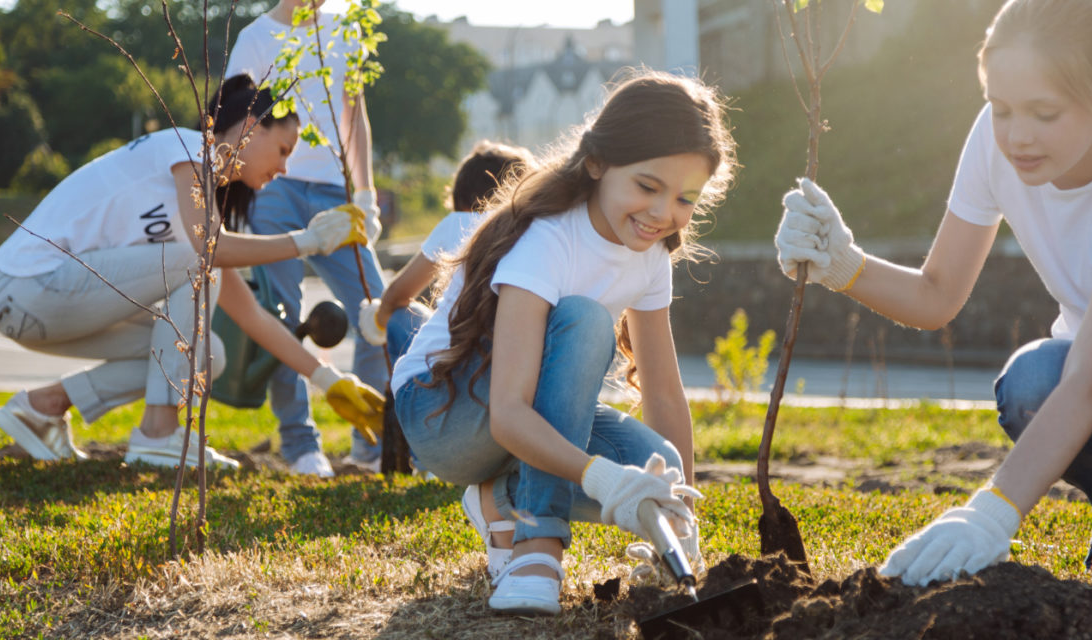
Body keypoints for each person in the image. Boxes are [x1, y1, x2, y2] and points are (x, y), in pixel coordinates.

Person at [775, 0, 1092, 586]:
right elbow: (937, 295)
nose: (1017, 136)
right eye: (1001, 109)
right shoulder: (996, 144)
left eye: (1044, 113)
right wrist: (842, 264)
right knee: (1029, 384)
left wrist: (992, 510)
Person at [391, 71, 736, 615]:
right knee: (584, 319)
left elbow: (665, 397)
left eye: (685, 198)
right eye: (647, 187)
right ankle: (536, 547)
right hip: (443, 412)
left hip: (517, 410)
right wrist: (601, 478)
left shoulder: (650, 255)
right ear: (597, 163)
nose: (663, 213)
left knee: (657, 463)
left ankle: (498, 497)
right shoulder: (547, 238)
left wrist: (679, 517)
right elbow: (508, 413)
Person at [0, 74, 383, 470]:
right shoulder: (188, 148)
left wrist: (330, 380)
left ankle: (42, 407)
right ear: (249, 127)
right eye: (283, 149)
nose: (283, 168)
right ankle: (158, 435)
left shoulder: (196, 209)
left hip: (46, 304)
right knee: (200, 260)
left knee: (207, 352)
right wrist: (309, 241)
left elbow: (253, 317)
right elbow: (209, 252)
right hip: (23, 286)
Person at [225, 0, 386, 477]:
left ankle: (370, 446)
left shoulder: (345, 31)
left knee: (377, 310)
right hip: (274, 188)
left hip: (336, 188)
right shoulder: (255, 39)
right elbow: (237, 120)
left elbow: (355, 117)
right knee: (285, 316)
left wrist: (366, 195)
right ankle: (300, 446)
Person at [354, 140, 533, 472]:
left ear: (462, 198)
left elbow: (398, 294)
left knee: (400, 317)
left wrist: (377, 319)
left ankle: (418, 451)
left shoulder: (460, 224)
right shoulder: (532, 231)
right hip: (510, 379)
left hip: (454, 375)